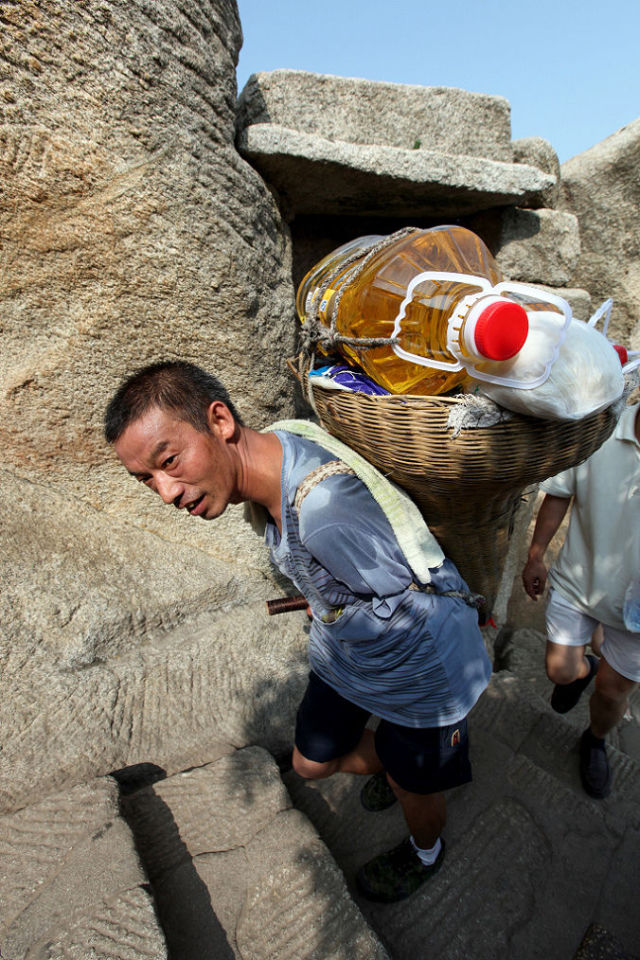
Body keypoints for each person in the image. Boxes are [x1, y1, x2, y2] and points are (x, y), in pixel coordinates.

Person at [105, 360, 492, 902]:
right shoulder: (279, 449)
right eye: (147, 479)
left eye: (169, 461)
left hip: (420, 674)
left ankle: (425, 847)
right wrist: (329, 600)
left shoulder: (324, 511)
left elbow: (410, 603)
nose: (166, 491)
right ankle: (398, 762)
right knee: (310, 762)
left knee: (413, 786)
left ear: (220, 421)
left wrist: (337, 609)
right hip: (349, 658)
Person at [522, 400, 640, 799]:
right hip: (578, 582)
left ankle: (595, 740)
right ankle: (584, 668)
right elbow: (560, 493)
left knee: (612, 692)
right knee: (559, 671)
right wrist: (536, 555)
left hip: (636, 616)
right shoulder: (600, 430)